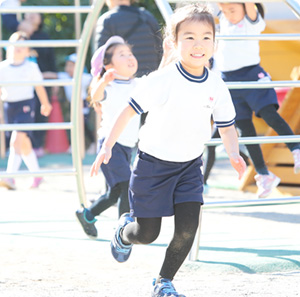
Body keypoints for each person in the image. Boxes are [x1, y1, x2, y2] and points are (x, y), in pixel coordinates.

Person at [90, 4, 247, 296]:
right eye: (189, 37)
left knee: (188, 228)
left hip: (189, 167)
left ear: (215, 42)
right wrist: (107, 147)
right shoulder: (162, 80)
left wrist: (234, 153)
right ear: (174, 43)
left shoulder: (216, 84)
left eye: (205, 37)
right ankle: (124, 231)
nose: (198, 44)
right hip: (152, 165)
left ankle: (164, 281)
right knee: (147, 234)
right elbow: (127, 112)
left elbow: (226, 125)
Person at [215, 2, 300, 198]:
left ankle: (295, 147)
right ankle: (264, 174)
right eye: (225, 11)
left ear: (246, 8)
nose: (227, 14)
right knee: (244, 127)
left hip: (251, 75)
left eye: (232, 10)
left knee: (269, 114)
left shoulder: (251, 22)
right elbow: (222, 5)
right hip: (229, 80)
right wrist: (225, 8)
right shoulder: (225, 20)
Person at [75, 36, 141, 238]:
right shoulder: (109, 88)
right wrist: (103, 81)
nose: (130, 57)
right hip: (110, 145)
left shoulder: (138, 83)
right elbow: (95, 96)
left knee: (115, 193)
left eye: (130, 53)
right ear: (108, 65)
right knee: (127, 185)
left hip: (127, 145)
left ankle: (87, 214)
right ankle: (123, 228)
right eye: (122, 55)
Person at [95, 0, 163, 125]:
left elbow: (100, 61)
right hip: (150, 88)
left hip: (121, 92)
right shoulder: (148, 17)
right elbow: (161, 53)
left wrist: (97, 87)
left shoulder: (107, 20)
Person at [0, 31, 52, 190]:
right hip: (10, 105)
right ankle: (37, 175)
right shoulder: (3, 67)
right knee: (23, 144)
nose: (18, 48)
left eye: (23, 46)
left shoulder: (31, 67)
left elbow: (39, 87)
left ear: (28, 51)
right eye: (15, 44)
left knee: (16, 140)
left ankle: (10, 177)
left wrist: (45, 103)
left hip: (25, 105)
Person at [43, 53, 95, 152]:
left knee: (83, 125)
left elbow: (94, 78)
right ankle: (76, 145)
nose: (68, 68)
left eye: (71, 65)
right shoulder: (65, 76)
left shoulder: (84, 77)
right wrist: (38, 75)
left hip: (82, 104)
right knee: (75, 124)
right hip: (72, 105)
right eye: (67, 65)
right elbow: (52, 75)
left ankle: (92, 144)